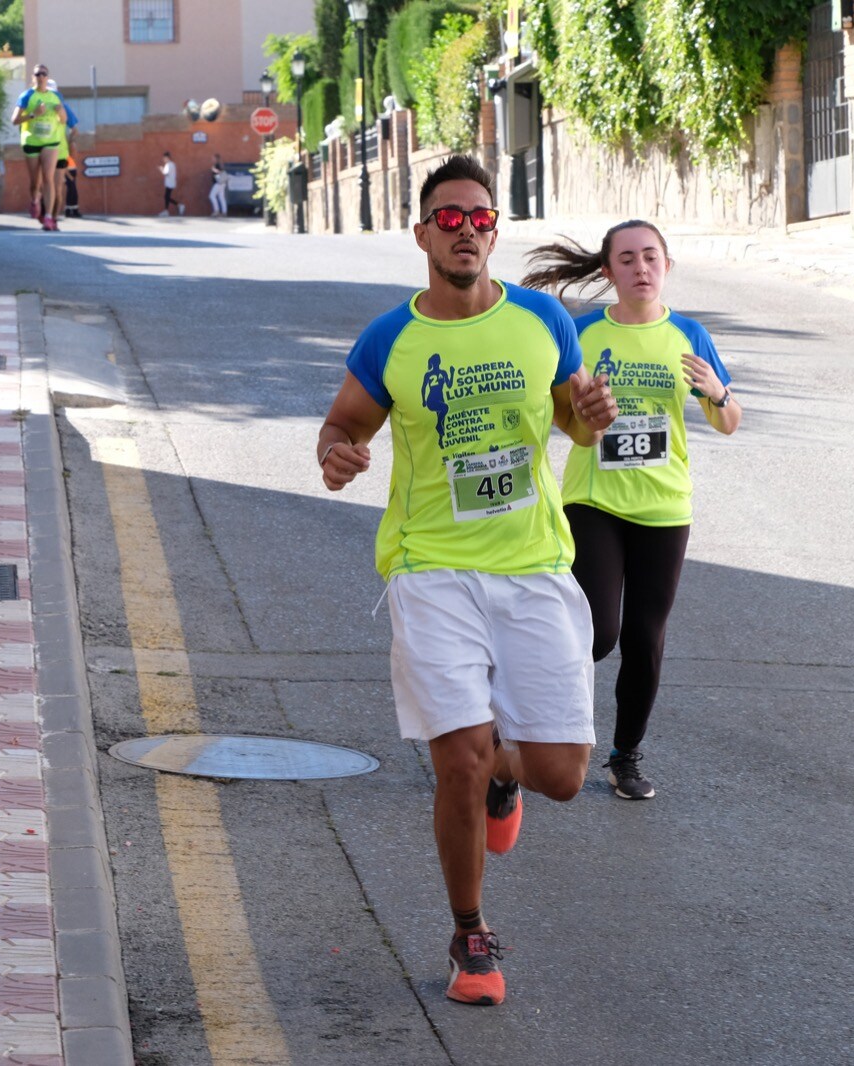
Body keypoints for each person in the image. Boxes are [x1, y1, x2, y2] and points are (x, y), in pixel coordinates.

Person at [317, 155, 617, 1007]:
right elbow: (344, 421)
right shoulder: (392, 340)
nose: (466, 230)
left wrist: (589, 418)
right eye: (448, 218)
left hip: (531, 566)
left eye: (480, 217)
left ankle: (506, 772)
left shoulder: (540, 321)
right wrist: (338, 454)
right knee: (455, 757)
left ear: (495, 230)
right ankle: (470, 933)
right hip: (432, 569)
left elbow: (572, 418)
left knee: (562, 773)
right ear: (421, 233)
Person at [522, 220, 741, 800]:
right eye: (627, 259)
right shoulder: (582, 332)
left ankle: (625, 756)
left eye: (650, 257)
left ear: (666, 266)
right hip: (594, 500)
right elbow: (546, 407)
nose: (640, 268)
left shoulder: (689, 335)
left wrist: (717, 395)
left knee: (645, 639)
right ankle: (523, 730)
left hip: (665, 507)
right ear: (607, 272)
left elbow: (728, 420)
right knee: (596, 633)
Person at [10, 65, 64, 230]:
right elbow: (14, 120)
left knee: (48, 178)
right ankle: (35, 200)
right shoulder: (27, 96)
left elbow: (63, 119)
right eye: (37, 74)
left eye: (43, 74)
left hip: (50, 141)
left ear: (47, 77)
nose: (40, 76)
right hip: (32, 141)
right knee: (35, 182)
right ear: (33, 77)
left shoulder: (55, 96)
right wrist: (34, 114)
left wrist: (60, 111)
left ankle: (48, 216)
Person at [46, 79, 79, 225]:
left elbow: (74, 129)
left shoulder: (63, 106)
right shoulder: (37, 103)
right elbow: (75, 130)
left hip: (59, 151)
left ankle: (51, 217)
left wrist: (69, 142)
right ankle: (48, 215)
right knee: (50, 184)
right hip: (46, 148)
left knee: (56, 185)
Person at [159, 151, 183, 216]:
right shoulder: (172, 164)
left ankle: (178, 206)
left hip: (169, 183)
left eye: (164, 158)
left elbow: (166, 173)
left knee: (166, 197)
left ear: (167, 158)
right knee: (167, 197)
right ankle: (169, 209)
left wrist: (161, 169)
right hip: (171, 183)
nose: (163, 159)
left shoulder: (169, 165)